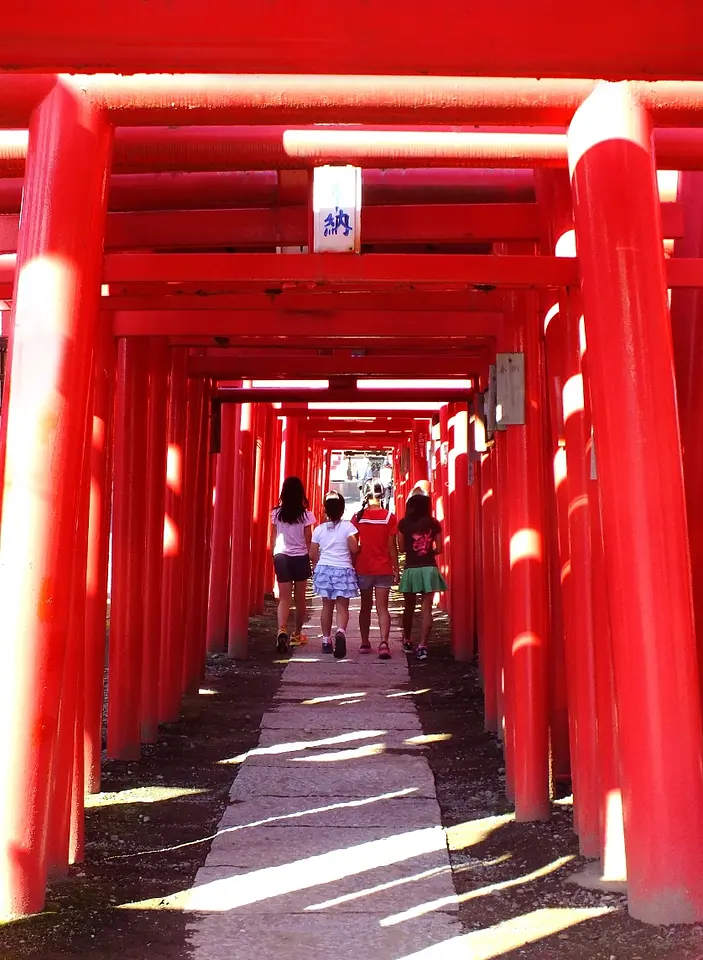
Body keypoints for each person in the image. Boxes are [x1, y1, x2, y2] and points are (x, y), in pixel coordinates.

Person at [352, 480, 399, 660]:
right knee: (382, 608)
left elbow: (353, 545)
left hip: (363, 567)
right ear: (382, 495)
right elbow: (391, 546)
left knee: (365, 607)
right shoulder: (389, 517)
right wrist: (396, 567)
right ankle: (384, 642)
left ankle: (365, 642)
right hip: (383, 568)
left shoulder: (358, 517)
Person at [397, 491, 447, 660]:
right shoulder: (433, 523)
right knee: (426, 609)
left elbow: (402, 548)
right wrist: (428, 551)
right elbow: (439, 548)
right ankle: (423, 646)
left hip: (411, 568)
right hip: (428, 568)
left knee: (409, 608)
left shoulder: (404, 524)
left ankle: (407, 640)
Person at [310, 491, 359, 659]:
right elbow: (354, 549)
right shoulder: (348, 528)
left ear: (325, 510)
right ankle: (340, 631)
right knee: (342, 606)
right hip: (343, 568)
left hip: (325, 568)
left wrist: (317, 566)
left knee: (326, 606)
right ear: (342, 509)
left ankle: (325, 640)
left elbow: (313, 552)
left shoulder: (319, 529)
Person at [270, 476, 316, 654]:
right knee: (300, 598)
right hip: (300, 557)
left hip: (281, 556)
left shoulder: (275, 513)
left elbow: (273, 537)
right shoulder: (306, 515)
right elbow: (308, 539)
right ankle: (297, 633)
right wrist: (312, 558)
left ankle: (281, 629)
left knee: (284, 598)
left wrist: (273, 554)